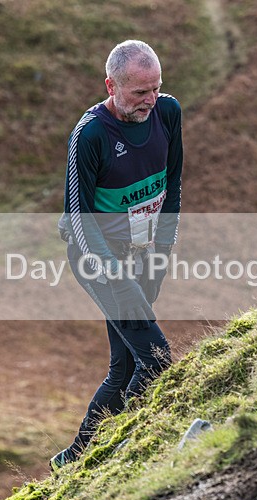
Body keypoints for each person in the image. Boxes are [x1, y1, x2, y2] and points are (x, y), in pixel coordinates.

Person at [52, 40, 183, 470]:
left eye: (155, 89)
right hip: (99, 259)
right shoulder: (90, 135)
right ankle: (123, 452)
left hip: (146, 254)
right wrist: (115, 276)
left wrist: (161, 253)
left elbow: (173, 188)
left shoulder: (168, 112)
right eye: (138, 93)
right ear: (111, 85)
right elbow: (78, 219)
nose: (149, 101)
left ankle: (74, 461)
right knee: (157, 358)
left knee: (125, 365)